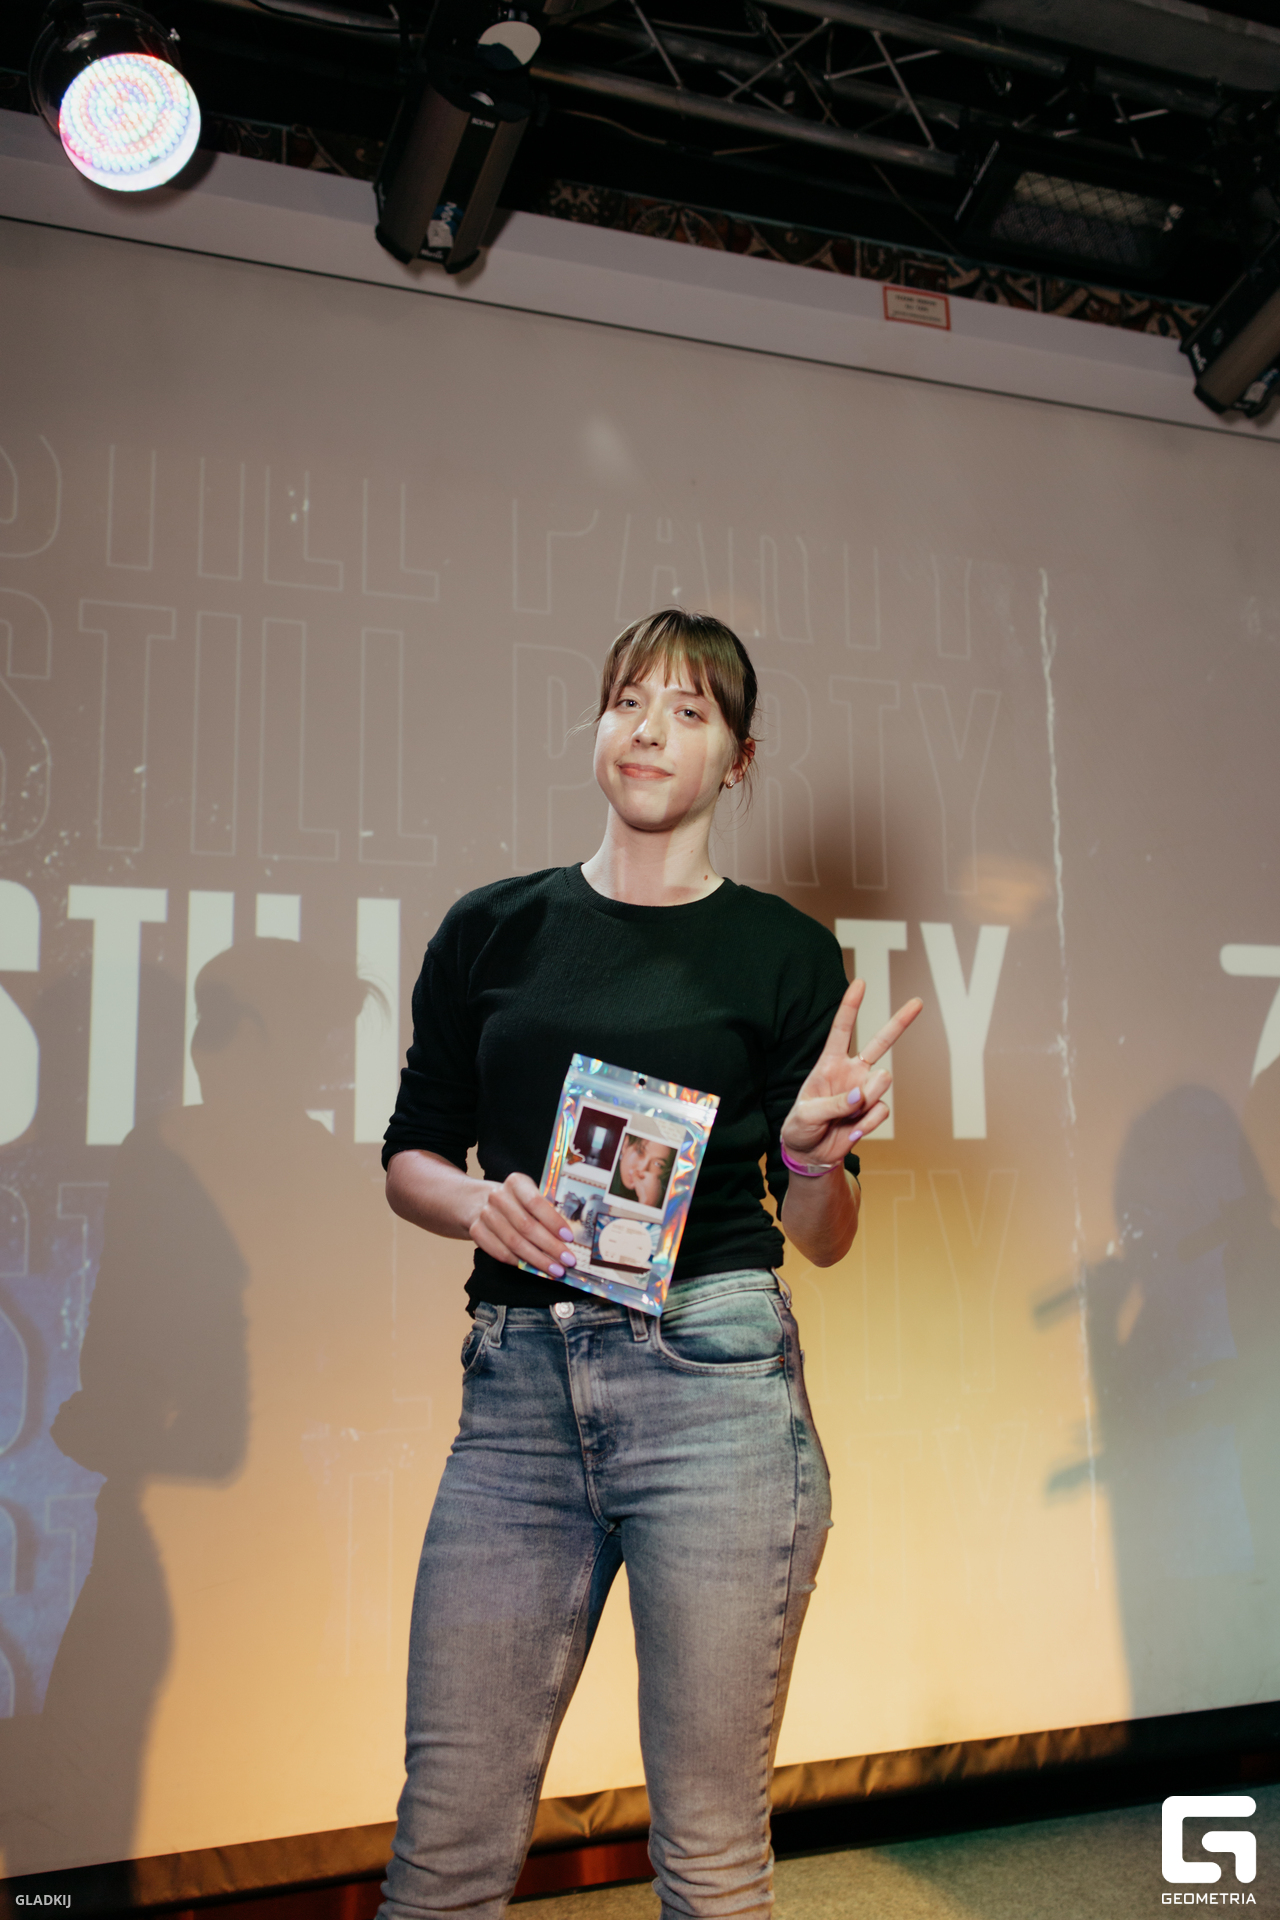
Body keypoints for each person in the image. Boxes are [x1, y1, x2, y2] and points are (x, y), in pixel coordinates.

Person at [379, 608, 922, 1920]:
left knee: (713, 1856)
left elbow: (824, 1237)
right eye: (629, 700)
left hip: (714, 1394)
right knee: (442, 1857)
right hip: (517, 1400)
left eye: (689, 712)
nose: (649, 731)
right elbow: (409, 1157)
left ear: (739, 759)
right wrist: (478, 1204)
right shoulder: (492, 927)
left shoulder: (785, 953)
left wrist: (809, 1157)